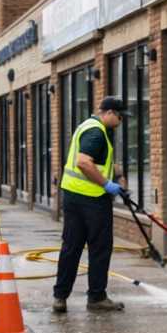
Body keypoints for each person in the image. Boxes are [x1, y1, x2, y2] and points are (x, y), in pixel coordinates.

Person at [54, 96, 127, 313]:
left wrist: (118, 175)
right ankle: (96, 298)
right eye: (120, 117)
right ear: (110, 113)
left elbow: (98, 160)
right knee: (100, 248)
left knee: (71, 247)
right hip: (92, 200)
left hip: (73, 197)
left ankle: (60, 297)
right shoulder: (97, 132)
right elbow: (84, 162)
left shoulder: (89, 126)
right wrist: (107, 185)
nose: (121, 122)